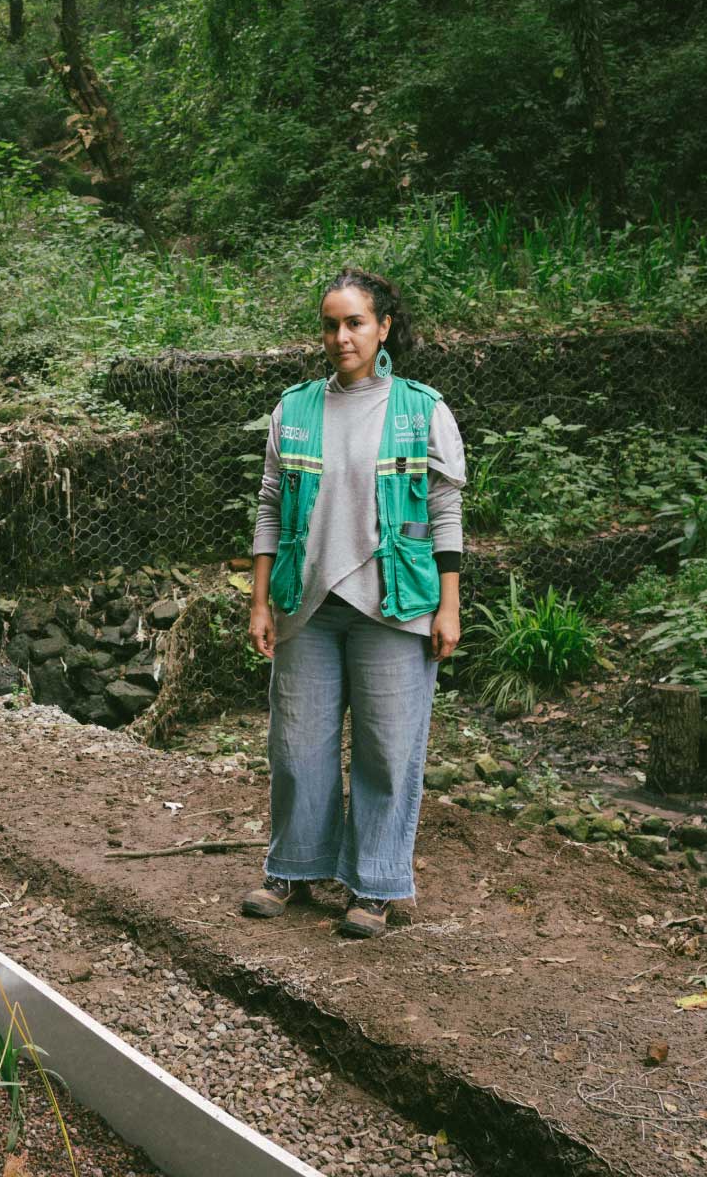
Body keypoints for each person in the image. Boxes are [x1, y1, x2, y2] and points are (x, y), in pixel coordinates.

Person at [241, 267, 465, 939]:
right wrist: (259, 602)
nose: (341, 337)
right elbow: (271, 505)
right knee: (298, 746)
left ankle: (374, 885)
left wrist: (448, 606)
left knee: (387, 748)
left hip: (395, 604)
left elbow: (446, 509)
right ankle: (294, 868)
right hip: (306, 604)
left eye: (355, 323)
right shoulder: (296, 409)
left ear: (384, 326)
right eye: (332, 325)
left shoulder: (422, 409)